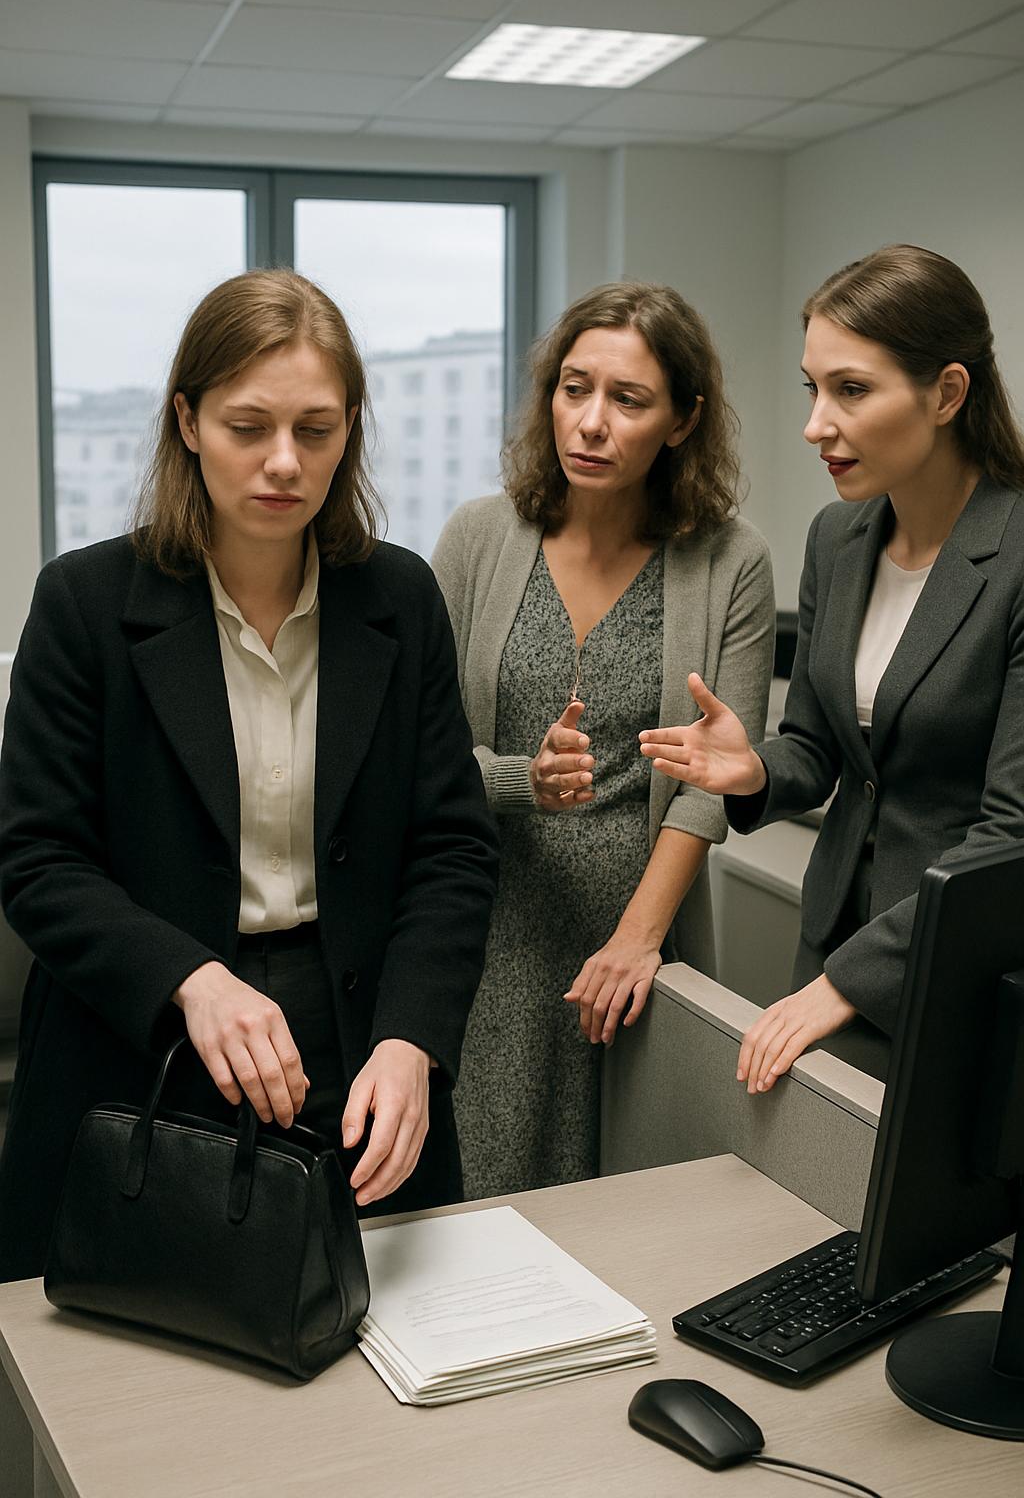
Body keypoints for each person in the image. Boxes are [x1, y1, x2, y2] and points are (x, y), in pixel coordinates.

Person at [0, 269, 498, 1283]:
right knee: (140, 1348)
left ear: (349, 431)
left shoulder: (400, 597)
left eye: (316, 430)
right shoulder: (85, 602)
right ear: (188, 422)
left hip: (352, 1034)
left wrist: (412, 1039)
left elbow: (451, 847)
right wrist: (192, 982)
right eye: (247, 426)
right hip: (143, 1040)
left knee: (373, 1321)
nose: (283, 462)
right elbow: (38, 860)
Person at [640, 243, 1024, 1095]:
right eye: (813, 389)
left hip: (958, 964)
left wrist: (845, 984)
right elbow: (818, 749)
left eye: (851, 390)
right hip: (832, 941)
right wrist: (753, 769)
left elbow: (1014, 833)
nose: (816, 425)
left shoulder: (1016, 556)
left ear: (947, 393)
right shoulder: (838, 537)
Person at [432, 281, 774, 1198]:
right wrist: (520, 779)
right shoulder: (476, 539)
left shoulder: (730, 560)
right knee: (487, 1197)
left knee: (642, 1206)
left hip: (640, 944)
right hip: (493, 931)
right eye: (574, 388)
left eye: (628, 400)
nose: (590, 422)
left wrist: (636, 941)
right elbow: (421, 757)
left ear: (682, 420)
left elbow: (711, 780)